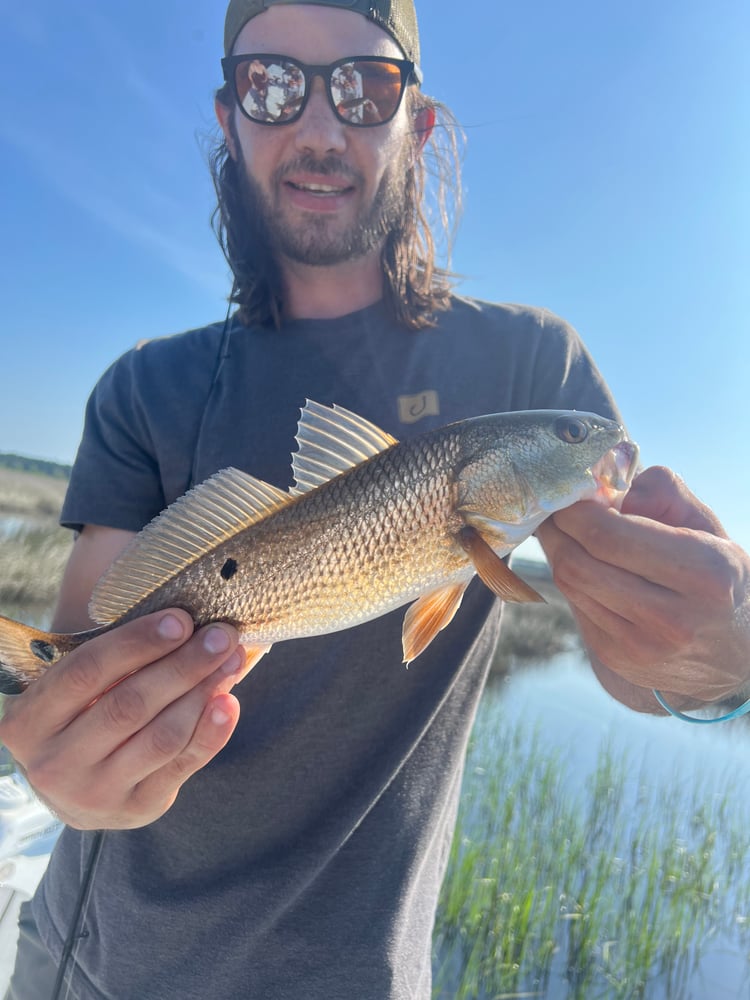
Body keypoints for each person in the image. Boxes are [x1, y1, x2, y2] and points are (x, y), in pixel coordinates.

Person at [2, 1, 749, 997]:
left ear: (418, 120)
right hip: (85, 962)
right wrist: (67, 748)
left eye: (364, 86)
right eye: (273, 84)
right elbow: (89, 623)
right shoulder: (146, 386)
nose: (318, 127)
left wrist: (717, 665)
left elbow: (635, 663)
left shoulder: (534, 363)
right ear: (229, 116)